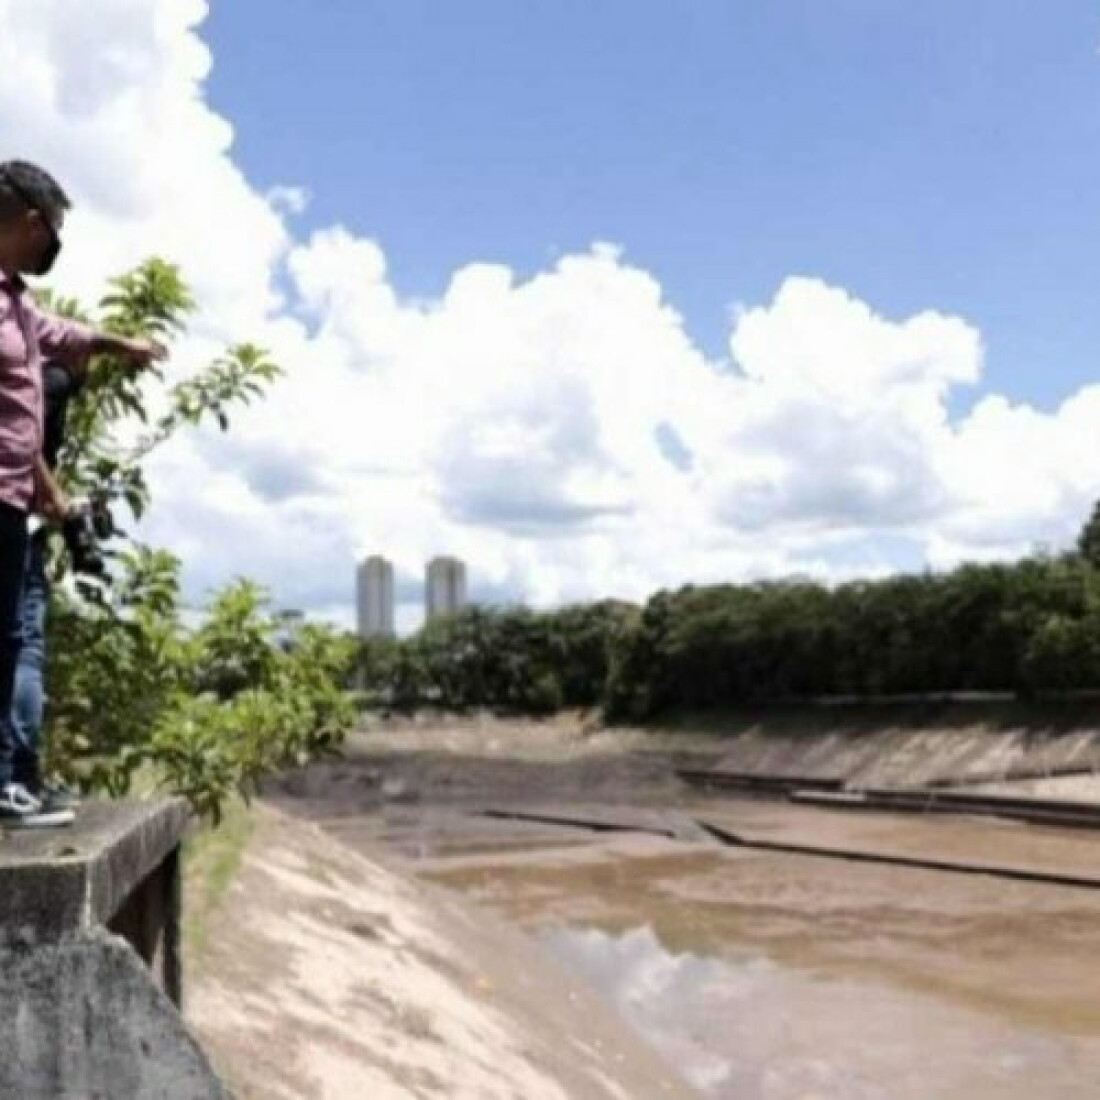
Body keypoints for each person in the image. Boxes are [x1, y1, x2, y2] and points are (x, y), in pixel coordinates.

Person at [0, 159, 164, 826]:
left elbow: (59, 334)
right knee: (8, 640)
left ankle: (17, 780)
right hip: (7, 495)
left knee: (14, 636)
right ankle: (8, 785)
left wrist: (118, 342)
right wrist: (54, 497)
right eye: (55, 229)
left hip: (14, 499)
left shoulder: (13, 300)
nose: (55, 244)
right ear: (34, 223)